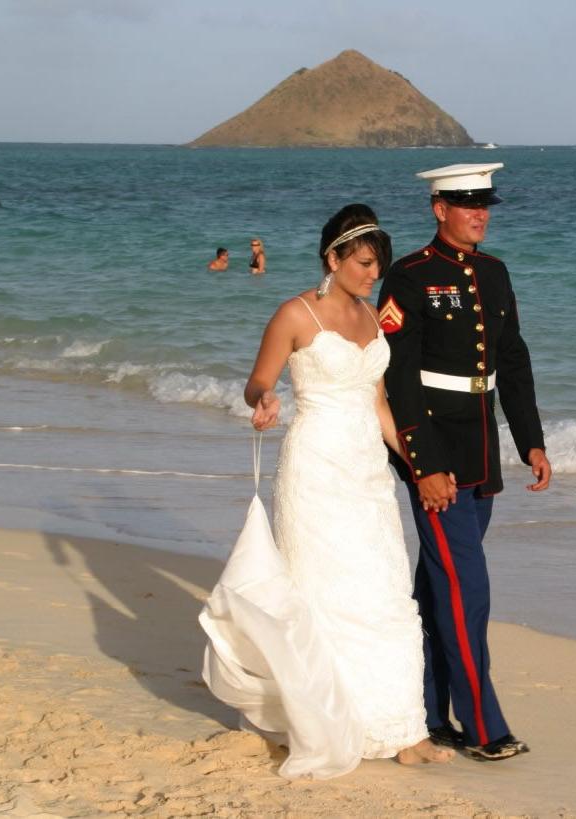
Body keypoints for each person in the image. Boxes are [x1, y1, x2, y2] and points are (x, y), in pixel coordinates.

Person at [207, 204, 452, 777]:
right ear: (333, 257)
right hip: (315, 467)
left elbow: (379, 402)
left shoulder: (370, 319)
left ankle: (403, 730)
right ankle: (331, 720)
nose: (373, 274)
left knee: (387, 591)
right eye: (364, 263)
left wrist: (417, 465)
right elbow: (259, 379)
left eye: (379, 265)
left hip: (366, 471)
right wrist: (263, 400)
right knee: (326, 593)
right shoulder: (296, 314)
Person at [377, 163, 551, 762]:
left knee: (439, 587)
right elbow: (397, 375)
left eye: (485, 204)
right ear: (438, 209)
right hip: (435, 452)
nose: (480, 213)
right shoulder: (409, 276)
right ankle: (482, 727)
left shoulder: (495, 273)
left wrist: (531, 439)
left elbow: (513, 360)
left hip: (482, 446)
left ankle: (429, 714)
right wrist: (421, 463)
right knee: (467, 589)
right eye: (466, 203)